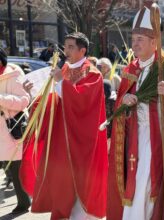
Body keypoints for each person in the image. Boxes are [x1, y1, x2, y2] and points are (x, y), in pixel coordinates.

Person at [107, 2, 164, 219]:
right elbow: (119, 105)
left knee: (147, 184)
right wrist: (125, 101)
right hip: (133, 137)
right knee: (134, 182)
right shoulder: (130, 70)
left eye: (140, 40)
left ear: (155, 42)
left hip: (157, 138)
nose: (135, 44)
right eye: (133, 39)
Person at [20, 32, 108, 219]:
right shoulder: (64, 70)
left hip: (81, 142)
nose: (65, 51)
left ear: (82, 50)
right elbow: (53, 99)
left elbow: (81, 103)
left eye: (70, 47)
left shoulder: (92, 74)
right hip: (61, 139)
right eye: (65, 46)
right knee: (61, 186)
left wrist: (61, 82)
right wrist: (33, 94)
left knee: (80, 190)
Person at [0, 47, 31, 214]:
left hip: (11, 127)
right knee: (8, 167)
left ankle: (24, 201)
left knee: (15, 167)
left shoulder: (14, 73)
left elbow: (24, 100)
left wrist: (1, 100)